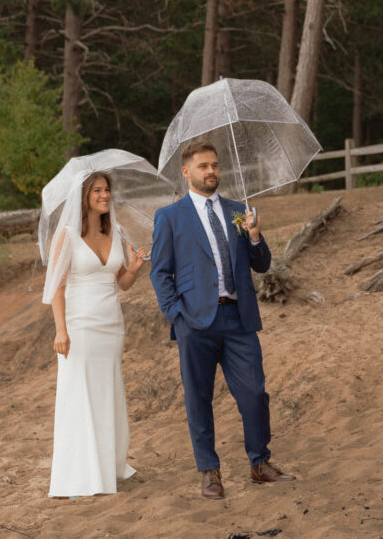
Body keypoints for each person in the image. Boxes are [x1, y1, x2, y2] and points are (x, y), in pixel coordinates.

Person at [150, 141, 296, 500]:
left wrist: (255, 235)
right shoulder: (169, 217)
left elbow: (261, 264)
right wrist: (176, 316)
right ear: (186, 172)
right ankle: (210, 472)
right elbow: (160, 273)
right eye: (203, 166)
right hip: (194, 322)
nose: (211, 171)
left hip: (238, 318)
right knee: (198, 399)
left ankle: (259, 463)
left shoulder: (239, 210)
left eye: (214, 165)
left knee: (254, 392)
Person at [42, 170, 148, 498]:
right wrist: (61, 330)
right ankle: (79, 472)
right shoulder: (67, 236)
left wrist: (132, 269)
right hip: (79, 325)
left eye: (107, 190)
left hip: (110, 325)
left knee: (108, 393)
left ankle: (107, 466)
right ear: (84, 196)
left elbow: (121, 283)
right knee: (79, 394)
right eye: (97, 190)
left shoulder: (116, 231)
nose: (104, 195)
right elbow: (56, 288)